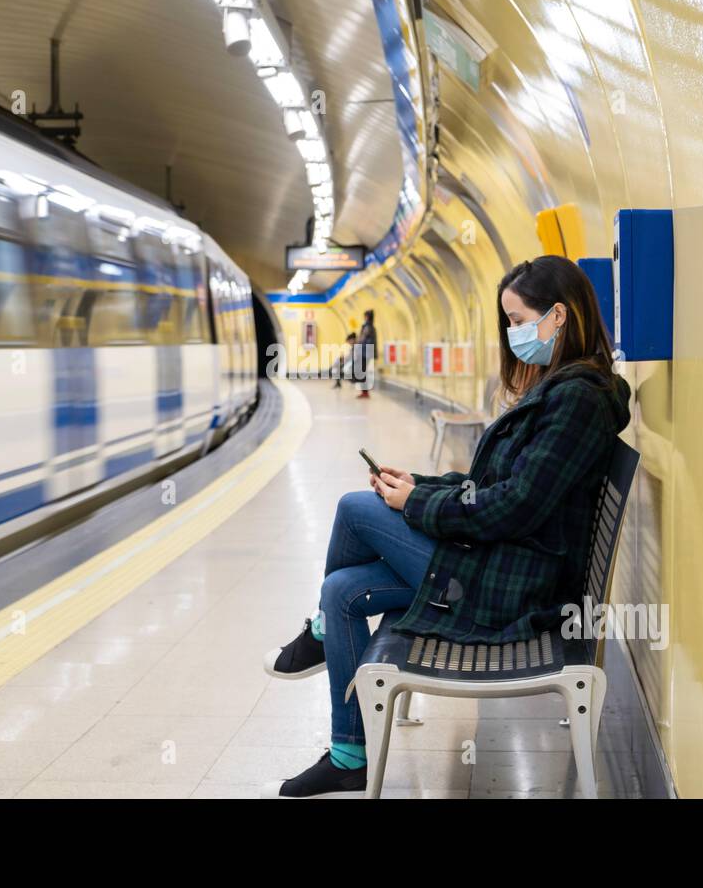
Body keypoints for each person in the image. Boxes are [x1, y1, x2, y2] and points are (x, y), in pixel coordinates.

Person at [261, 256, 631, 797]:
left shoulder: (577, 399)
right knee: (341, 589)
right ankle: (349, 755)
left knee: (355, 508)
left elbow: (516, 507)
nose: (512, 334)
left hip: (519, 588)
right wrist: (422, 484)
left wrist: (416, 505)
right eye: (507, 321)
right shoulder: (562, 389)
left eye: (518, 319)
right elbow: (494, 484)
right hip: (506, 563)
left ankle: (319, 634)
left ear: (559, 316)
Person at [353, 310, 377, 399]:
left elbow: (362, 339)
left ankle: (365, 392)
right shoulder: (371, 327)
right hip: (367, 352)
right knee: (362, 371)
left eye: (365, 316)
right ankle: (364, 391)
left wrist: (356, 342)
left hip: (365, 352)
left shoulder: (367, 327)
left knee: (362, 371)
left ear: (367, 317)